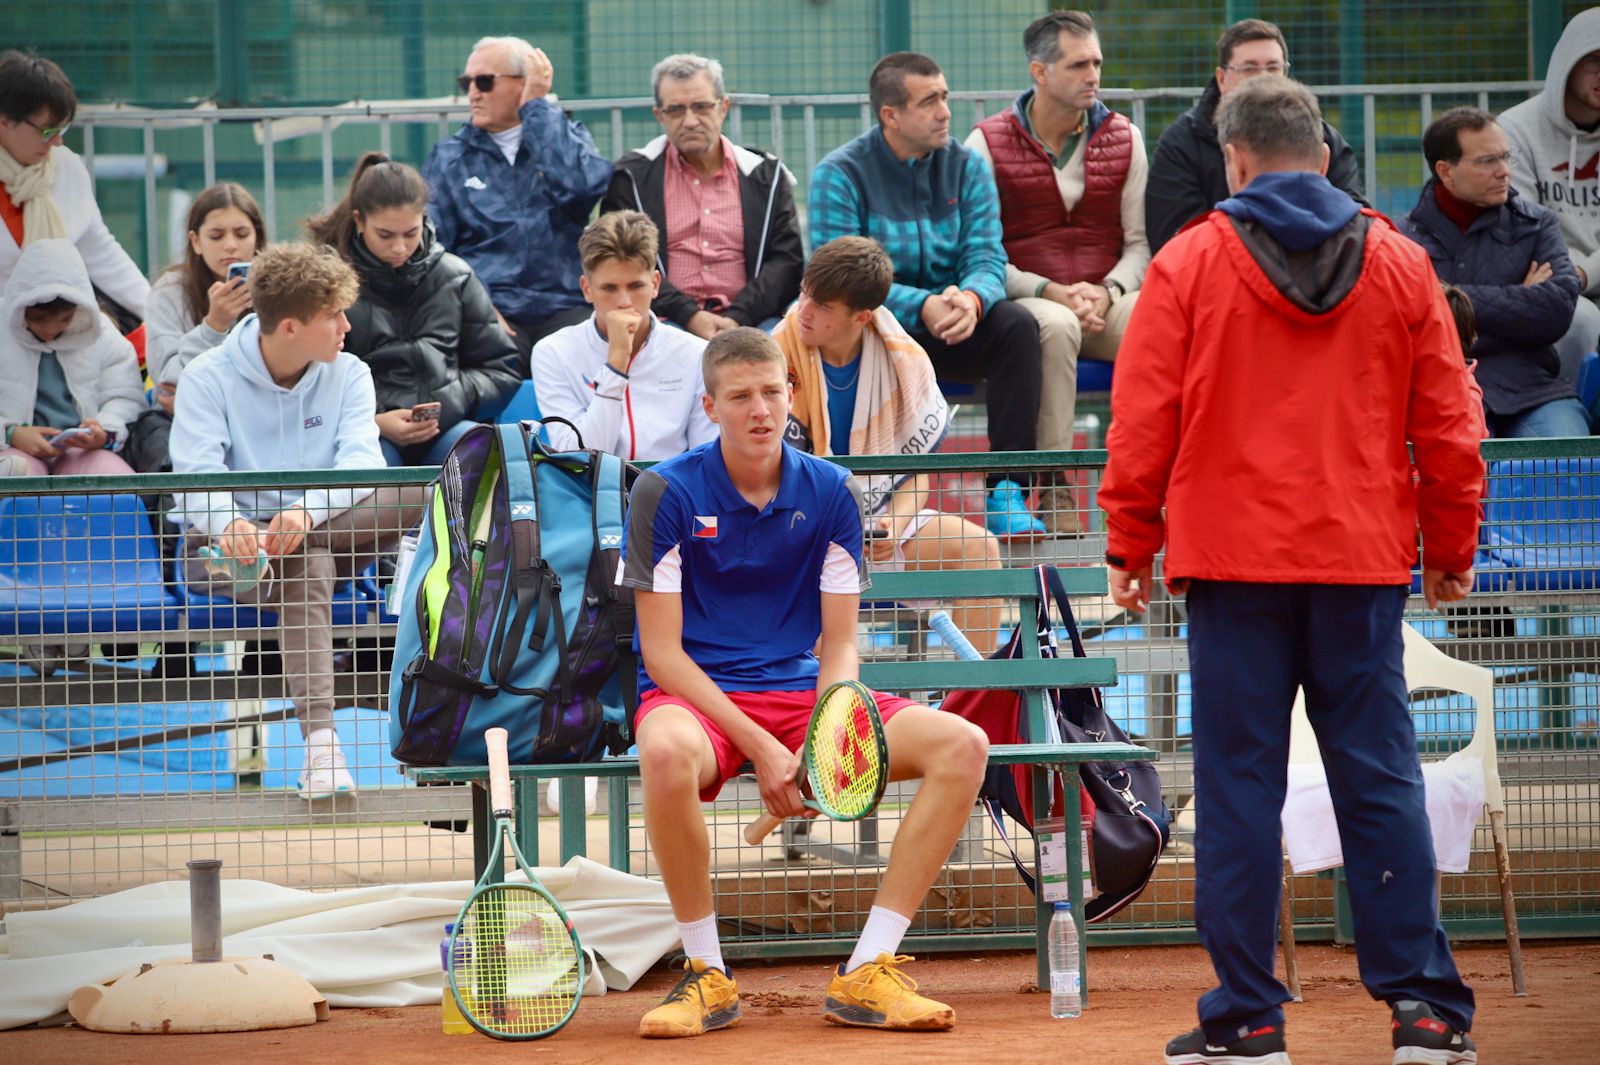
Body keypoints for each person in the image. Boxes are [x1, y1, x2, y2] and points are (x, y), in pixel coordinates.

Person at [1100, 77, 1484, 1065]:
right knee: (1380, 779)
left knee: (1237, 788)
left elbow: (1141, 421)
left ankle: (1249, 1018)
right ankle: (1426, 1013)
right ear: (1321, 153)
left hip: (1232, 567)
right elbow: (1449, 424)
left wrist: (1127, 548)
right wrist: (1449, 551)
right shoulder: (1401, 263)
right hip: (1357, 563)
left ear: (1232, 160)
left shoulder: (1187, 262)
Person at [621, 328, 987, 1038]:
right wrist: (762, 747)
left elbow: (842, 641)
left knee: (963, 745)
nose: (759, 409)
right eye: (740, 396)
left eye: (771, 392)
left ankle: (868, 968)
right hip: (697, 697)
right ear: (711, 406)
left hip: (804, 693)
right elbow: (662, 654)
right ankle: (705, 975)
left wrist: (830, 731)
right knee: (663, 753)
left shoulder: (832, 491)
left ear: (790, 396)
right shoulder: (663, 492)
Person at [169, 242, 427, 800]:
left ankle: (324, 750)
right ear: (289, 327)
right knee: (306, 562)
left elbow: (362, 463)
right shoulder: (205, 377)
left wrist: (304, 511)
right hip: (218, 551)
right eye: (332, 315)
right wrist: (229, 525)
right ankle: (322, 747)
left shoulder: (350, 372)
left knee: (414, 491)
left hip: (319, 529)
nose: (346, 327)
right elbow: (194, 479)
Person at [810, 51, 1051, 538]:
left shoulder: (967, 166)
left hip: (955, 324)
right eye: (929, 101)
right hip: (877, 332)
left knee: (1018, 326)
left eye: (944, 97)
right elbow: (836, 278)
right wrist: (921, 303)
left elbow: (987, 254)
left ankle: (1007, 492)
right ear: (890, 115)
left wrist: (972, 300)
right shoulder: (839, 174)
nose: (945, 111)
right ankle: (850, 502)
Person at [965, 11, 1150, 534]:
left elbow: (1140, 245)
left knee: (1164, 319)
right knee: (1054, 324)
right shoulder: (985, 144)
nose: (1093, 75)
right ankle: (1053, 489)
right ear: (1040, 72)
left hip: (1106, 297)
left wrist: (1108, 290)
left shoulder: (1125, 137)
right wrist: (1048, 289)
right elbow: (983, 252)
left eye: (1096, 62)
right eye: (1077, 65)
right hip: (1031, 296)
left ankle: (1156, 479)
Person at [774, 236, 1004, 648]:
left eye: (822, 306)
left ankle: (975, 706)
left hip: (875, 522)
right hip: (796, 527)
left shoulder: (907, 360)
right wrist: (835, 531)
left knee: (980, 550)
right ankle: (827, 708)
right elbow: (762, 478)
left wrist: (889, 527)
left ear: (861, 317)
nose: (803, 312)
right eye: (805, 294)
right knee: (820, 588)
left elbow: (916, 478)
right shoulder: (772, 352)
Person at [306, 152, 519, 467]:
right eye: (386, 235)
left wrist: (452, 398)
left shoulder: (455, 276)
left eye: (410, 233)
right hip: (363, 433)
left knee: (485, 458)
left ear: (424, 220)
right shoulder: (330, 281)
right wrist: (375, 420)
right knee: (371, 477)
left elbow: (502, 369)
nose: (399, 248)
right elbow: (307, 381)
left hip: (445, 427)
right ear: (359, 222)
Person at [423, 35, 612, 373]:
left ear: (524, 85)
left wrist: (536, 109)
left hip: (564, 302)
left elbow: (584, 187)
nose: (473, 93)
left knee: (577, 360)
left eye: (484, 81)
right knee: (496, 359)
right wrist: (473, 303)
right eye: (466, 82)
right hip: (490, 306)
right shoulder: (450, 157)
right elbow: (435, 246)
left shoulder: (564, 136)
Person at [1398, 107, 1589, 438]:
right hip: (1437, 392)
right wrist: (1521, 299)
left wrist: (1449, 298)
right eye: (1488, 162)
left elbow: (1557, 310)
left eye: (1505, 158)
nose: (1504, 172)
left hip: (1532, 390)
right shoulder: (1403, 238)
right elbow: (1405, 325)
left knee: (1564, 466)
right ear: (1445, 170)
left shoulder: (1537, 223)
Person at [601, 54, 803, 338]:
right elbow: (626, 263)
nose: (690, 121)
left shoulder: (765, 176)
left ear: (723, 107)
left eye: (701, 107)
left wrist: (738, 317)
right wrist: (690, 316)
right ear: (659, 115)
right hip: (662, 322)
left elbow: (786, 262)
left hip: (754, 322)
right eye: (676, 110)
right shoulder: (631, 178)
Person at [1144, 19, 1365, 254]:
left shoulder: (1322, 137)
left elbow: (1354, 225)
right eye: (1249, 68)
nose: (1263, 78)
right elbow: (1173, 240)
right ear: (1222, 79)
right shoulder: (1182, 143)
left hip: (1316, 279)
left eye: (1273, 68)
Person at [531, 210, 717, 459]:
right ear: (587, 289)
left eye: (635, 286)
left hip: (672, 493)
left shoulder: (696, 353)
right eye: (609, 288)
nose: (624, 302)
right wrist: (616, 366)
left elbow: (704, 457)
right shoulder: (553, 352)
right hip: (589, 494)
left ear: (655, 284)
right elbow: (577, 460)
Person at [0, 51, 148, 318]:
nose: (58, 142)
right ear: (5, 122)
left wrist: (160, 317)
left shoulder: (66, 166)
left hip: (61, 327)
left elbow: (102, 254)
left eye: (63, 130)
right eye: (48, 131)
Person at [1498, 8, 1600, 384]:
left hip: (1578, 273)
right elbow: (1523, 229)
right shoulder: (1516, 129)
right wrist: (1568, 276)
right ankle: (1571, 416)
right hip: (1549, 280)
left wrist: (1584, 273)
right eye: (1593, 60)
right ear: (1567, 62)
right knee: (1580, 319)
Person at [1, 238, 143, 478]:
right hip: (12, 448)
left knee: (117, 487)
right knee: (15, 479)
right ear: (19, 308)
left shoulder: (102, 333)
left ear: (80, 308)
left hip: (81, 451)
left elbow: (125, 396)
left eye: (65, 319)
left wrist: (105, 430)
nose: (50, 330)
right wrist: (10, 432)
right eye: (38, 320)